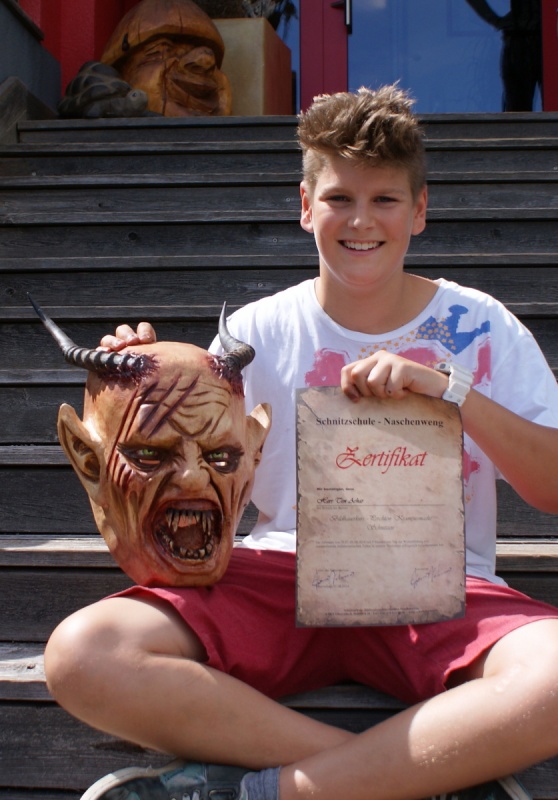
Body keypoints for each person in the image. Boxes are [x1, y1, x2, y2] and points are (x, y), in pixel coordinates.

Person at [44, 84, 558, 800]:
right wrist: (134, 383)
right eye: (340, 197)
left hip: (438, 586)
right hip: (280, 574)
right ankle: (414, 777)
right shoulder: (252, 334)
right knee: (83, 653)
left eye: (384, 199)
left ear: (419, 210)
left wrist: (450, 392)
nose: (361, 220)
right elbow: (171, 482)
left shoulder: (482, 325)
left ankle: (272, 791)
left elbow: (551, 490)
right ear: (306, 205)